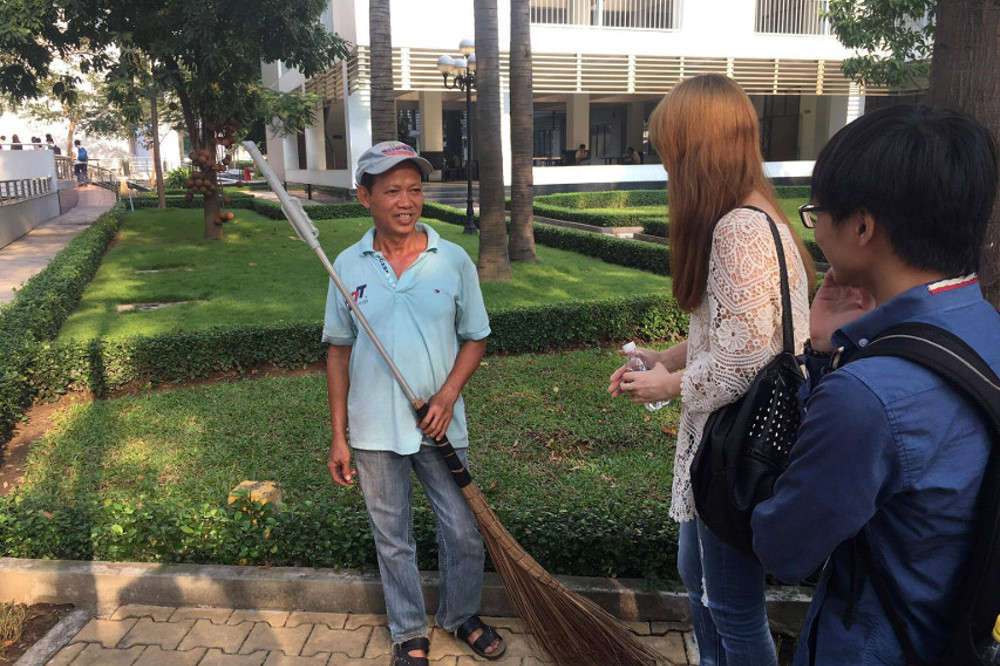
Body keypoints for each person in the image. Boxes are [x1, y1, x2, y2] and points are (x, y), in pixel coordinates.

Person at [751, 105, 1000, 664]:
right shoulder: (987, 331)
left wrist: (818, 369)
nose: (816, 228)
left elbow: (784, 549)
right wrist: (826, 350)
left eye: (818, 214)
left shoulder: (868, 396)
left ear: (863, 227)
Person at [608, 74, 813, 665]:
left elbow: (744, 361)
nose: (666, 165)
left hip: (733, 449)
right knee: (698, 580)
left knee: (730, 606)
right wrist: (662, 357)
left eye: (671, 150)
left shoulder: (738, 229)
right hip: (723, 445)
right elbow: (728, 335)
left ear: (699, 150)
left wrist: (665, 384)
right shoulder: (757, 219)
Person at [323, 141, 504, 666]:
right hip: (375, 428)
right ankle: (408, 631)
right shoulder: (344, 265)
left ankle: (460, 614)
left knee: (463, 530)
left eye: (415, 189)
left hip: (439, 424)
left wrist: (448, 395)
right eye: (393, 190)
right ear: (365, 197)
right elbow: (338, 350)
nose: (407, 201)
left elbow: (476, 336)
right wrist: (339, 434)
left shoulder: (452, 260)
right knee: (392, 538)